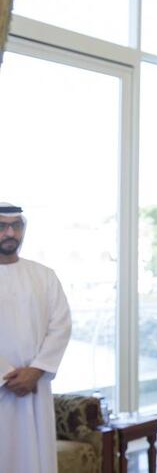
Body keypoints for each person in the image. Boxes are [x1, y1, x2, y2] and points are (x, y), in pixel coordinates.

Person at [0, 203, 72, 473]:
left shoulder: (44, 276)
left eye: (16, 226)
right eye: (2, 226)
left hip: (35, 388)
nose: (10, 233)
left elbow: (61, 325)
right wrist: (7, 374)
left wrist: (37, 370)